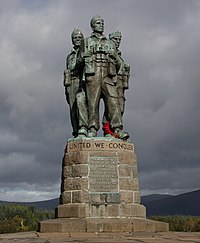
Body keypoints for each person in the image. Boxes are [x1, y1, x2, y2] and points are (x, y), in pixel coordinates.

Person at [81, 16, 127, 138]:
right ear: (92, 25)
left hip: (108, 75)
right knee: (92, 103)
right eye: (98, 23)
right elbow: (79, 62)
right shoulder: (86, 42)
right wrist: (85, 55)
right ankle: (92, 128)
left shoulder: (110, 43)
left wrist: (115, 57)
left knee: (113, 101)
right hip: (93, 73)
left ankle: (116, 128)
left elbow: (119, 65)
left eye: (102, 23)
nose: (101, 25)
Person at [64, 29, 88, 137]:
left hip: (82, 81)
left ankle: (84, 128)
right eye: (75, 38)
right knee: (73, 108)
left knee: (80, 103)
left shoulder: (85, 52)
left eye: (79, 37)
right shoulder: (69, 56)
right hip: (71, 83)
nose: (77, 39)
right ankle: (76, 131)